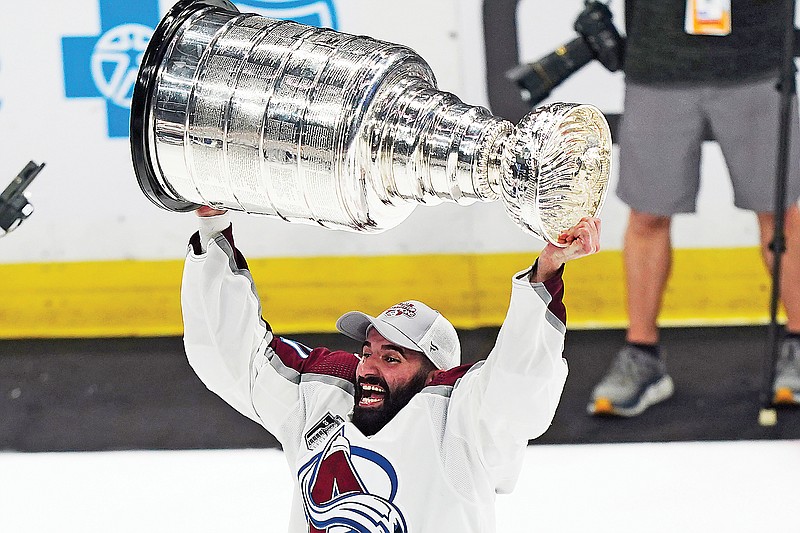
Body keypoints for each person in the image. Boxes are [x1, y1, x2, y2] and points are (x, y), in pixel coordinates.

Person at [182, 206, 600, 532]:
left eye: (392, 357)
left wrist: (547, 269)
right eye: (368, 351)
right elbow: (233, 354)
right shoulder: (323, 397)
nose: (368, 367)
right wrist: (212, 226)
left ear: (434, 374)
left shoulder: (461, 424)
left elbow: (518, 382)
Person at [588, 0, 800, 417]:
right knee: (647, 214)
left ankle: (798, 342)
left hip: (757, 62)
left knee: (780, 216)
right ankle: (642, 353)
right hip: (656, 64)